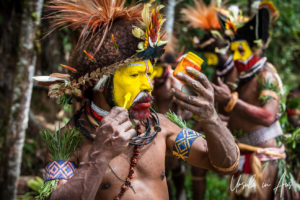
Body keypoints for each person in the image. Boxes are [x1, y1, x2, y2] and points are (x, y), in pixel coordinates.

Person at [35, 1, 239, 199]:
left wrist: (211, 119)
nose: (148, 85)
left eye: (149, 74)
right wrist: (100, 155)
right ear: (101, 82)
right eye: (135, 75)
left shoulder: (160, 128)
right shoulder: (67, 142)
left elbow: (224, 163)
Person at [211, 2, 286, 199]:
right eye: (233, 50)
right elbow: (226, 112)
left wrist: (231, 101)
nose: (235, 57)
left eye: (240, 50)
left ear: (255, 49)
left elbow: (269, 116)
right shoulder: (240, 77)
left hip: (262, 154)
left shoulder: (266, 75)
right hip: (241, 152)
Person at [181, 1, 239, 199]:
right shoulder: (218, 73)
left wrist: (218, 119)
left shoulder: (235, 72)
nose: (207, 58)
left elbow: (230, 107)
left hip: (236, 129)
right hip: (217, 122)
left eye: (209, 54)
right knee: (197, 167)